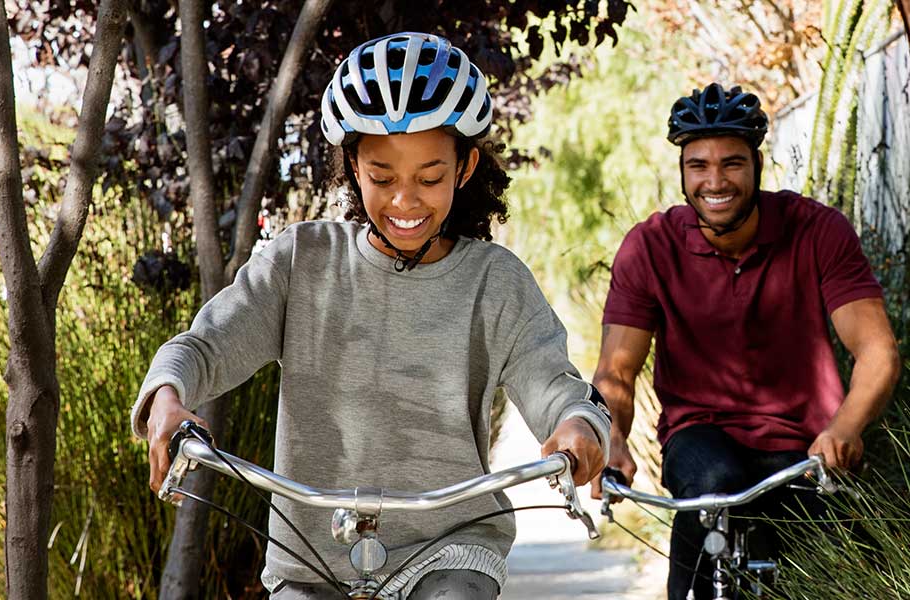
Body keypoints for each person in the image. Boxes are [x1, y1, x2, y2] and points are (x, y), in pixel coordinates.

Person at [131, 32, 612, 600]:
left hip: (451, 545)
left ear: (464, 167)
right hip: (311, 557)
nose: (405, 202)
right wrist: (167, 393)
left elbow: (557, 388)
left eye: (429, 178)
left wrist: (579, 427)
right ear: (352, 166)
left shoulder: (496, 282)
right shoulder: (300, 262)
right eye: (383, 178)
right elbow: (205, 345)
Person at [589, 83, 901, 600]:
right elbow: (617, 372)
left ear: (757, 165)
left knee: (837, 575)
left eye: (732, 164)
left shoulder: (817, 231)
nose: (715, 181)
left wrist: (845, 427)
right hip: (700, 438)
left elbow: (878, 351)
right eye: (698, 165)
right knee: (712, 479)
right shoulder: (650, 247)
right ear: (682, 170)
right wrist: (612, 439)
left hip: (807, 448)